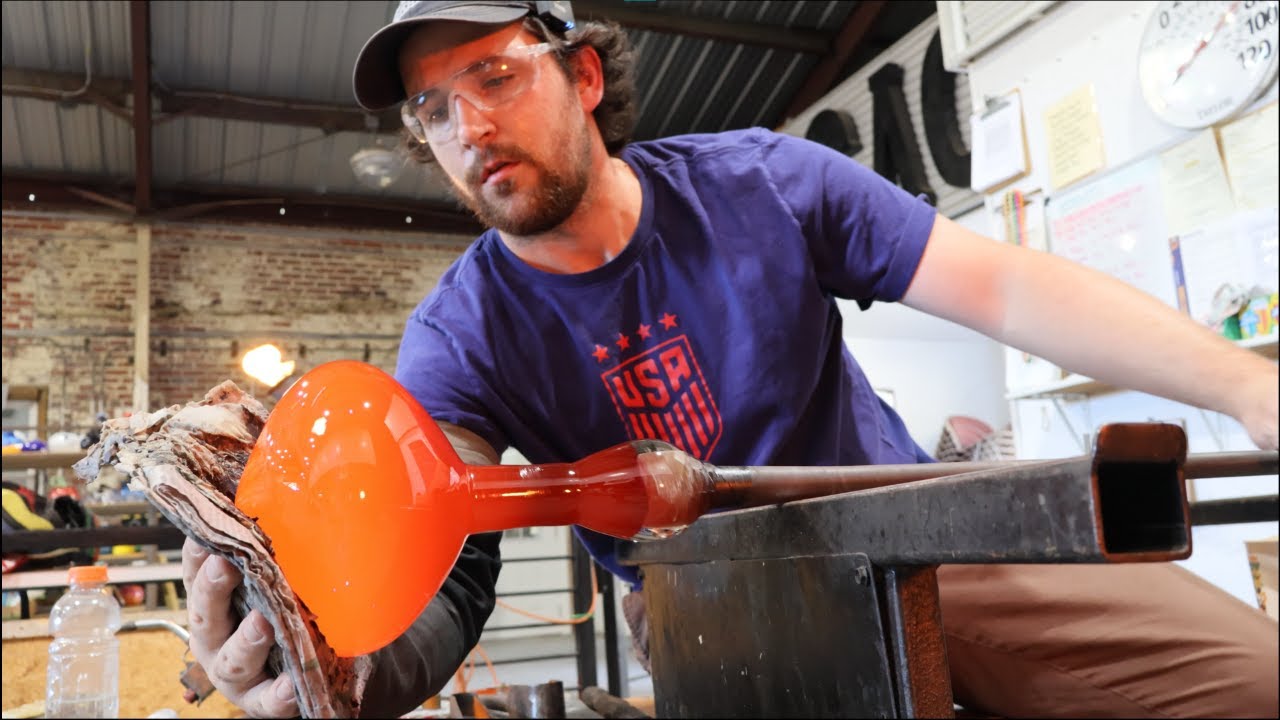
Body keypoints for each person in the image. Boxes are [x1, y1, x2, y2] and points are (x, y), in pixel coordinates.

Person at [181, 1, 1280, 717]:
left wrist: (1246, 383)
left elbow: (999, 286)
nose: (467, 126)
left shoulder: (762, 183)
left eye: (495, 75)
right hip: (699, 604)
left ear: (583, 75)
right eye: (433, 108)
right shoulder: (460, 334)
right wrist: (339, 667)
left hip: (919, 528)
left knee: (1253, 682)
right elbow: (450, 543)